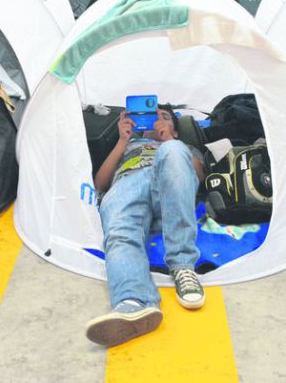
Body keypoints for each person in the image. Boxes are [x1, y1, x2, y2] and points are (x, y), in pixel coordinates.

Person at [85, 105, 206, 347]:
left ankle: (182, 266)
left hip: (168, 188)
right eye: (149, 117)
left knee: (172, 151)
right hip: (128, 183)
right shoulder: (129, 145)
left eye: (163, 117)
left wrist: (170, 139)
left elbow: (199, 177)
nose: (154, 122)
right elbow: (99, 183)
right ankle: (133, 302)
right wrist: (122, 141)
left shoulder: (181, 148)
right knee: (119, 228)